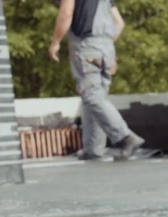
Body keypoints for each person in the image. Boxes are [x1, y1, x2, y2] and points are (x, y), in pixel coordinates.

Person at [47, 0, 145, 161]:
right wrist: (104, 45)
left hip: (86, 47)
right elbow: (119, 23)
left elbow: (66, 14)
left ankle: (126, 138)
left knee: (92, 96)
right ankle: (93, 149)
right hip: (107, 48)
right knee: (96, 98)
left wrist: (55, 42)